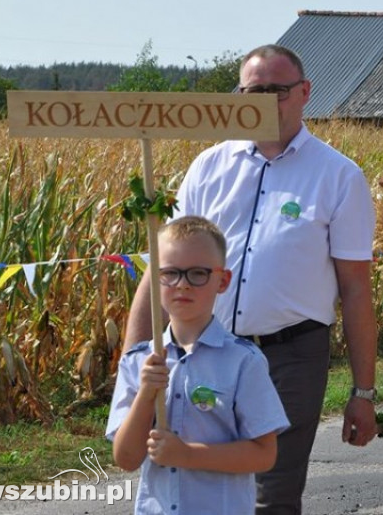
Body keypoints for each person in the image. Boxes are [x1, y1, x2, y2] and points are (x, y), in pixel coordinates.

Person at [123, 44, 378, 514]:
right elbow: (163, 264)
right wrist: (134, 357)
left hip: (291, 356)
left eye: (277, 91)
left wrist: (363, 393)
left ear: (305, 93)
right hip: (204, 350)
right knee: (193, 480)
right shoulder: (209, 166)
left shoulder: (338, 176)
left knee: (272, 493)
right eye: (253, 91)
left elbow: (356, 289)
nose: (264, 102)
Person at [108, 216, 290, 514]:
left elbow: (264, 454)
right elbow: (126, 459)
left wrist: (186, 455)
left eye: (198, 274)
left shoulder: (244, 362)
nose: (183, 285)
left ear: (223, 280)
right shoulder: (138, 362)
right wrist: (145, 393)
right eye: (170, 273)